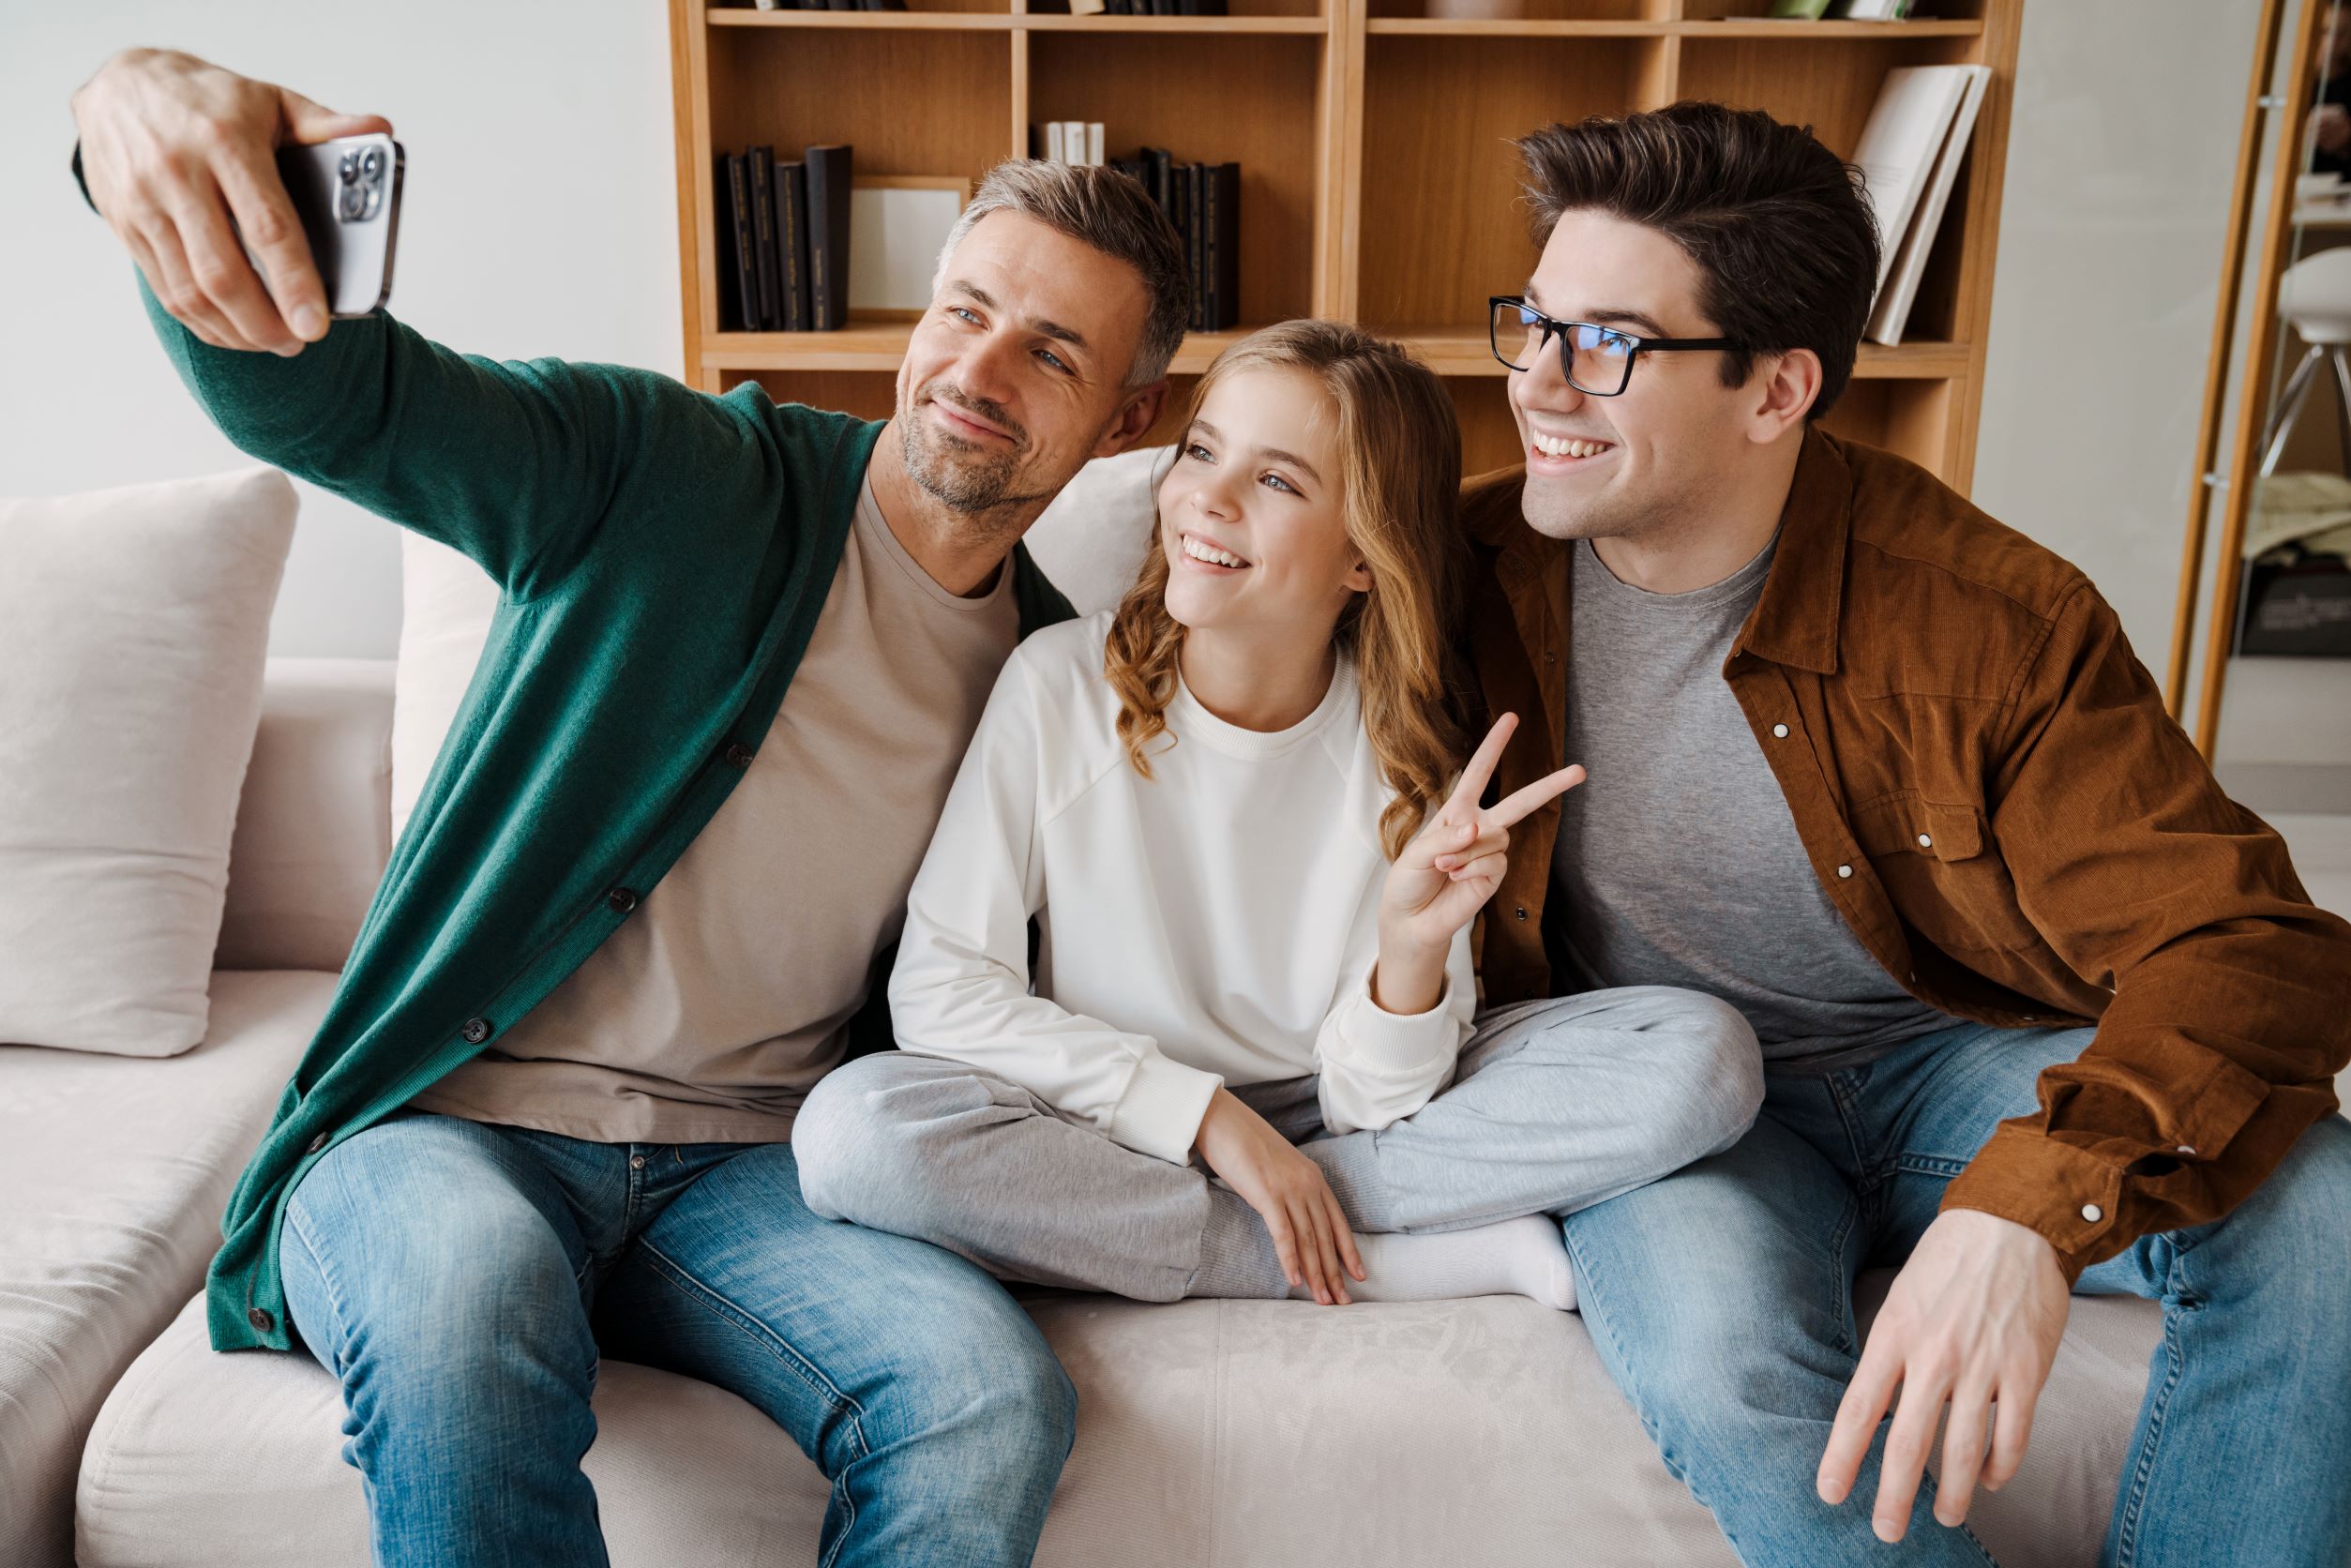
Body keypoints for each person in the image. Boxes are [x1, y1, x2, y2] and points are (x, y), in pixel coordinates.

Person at [67, 45, 1196, 1568]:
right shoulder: (674, 468)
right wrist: (136, 124)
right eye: (965, 310)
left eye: (1055, 355)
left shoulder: (1052, 681)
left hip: (747, 1174)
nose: (980, 374)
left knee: (982, 1397)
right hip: (445, 1127)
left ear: (1128, 421)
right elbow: (327, 404)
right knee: (465, 1319)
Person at [1459, 101, 2351, 1564]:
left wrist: (2022, 1208)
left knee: (2318, 1210)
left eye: (1608, 341)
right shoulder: (1456, 574)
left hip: (1956, 1061)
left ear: (1775, 389)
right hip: (1674, 1097)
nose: (1539, 384)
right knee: (1711, 1361)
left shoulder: (1986, 615)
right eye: (1532, 323)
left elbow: (2249, 948)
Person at [792, 320, 1761, 1310]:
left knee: (1702, 1057)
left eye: (1277, 482)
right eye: (1202, 452)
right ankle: (1333, 1256)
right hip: (1105, 1117)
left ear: (1362, 558)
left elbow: (1375, 1102)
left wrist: (1406, 957)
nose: (1205, 499)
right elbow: (943, 991)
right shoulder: (1059, 683)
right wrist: (1209, 1121)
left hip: (1342, 1129)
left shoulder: (1408, 754)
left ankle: (1291, 1214)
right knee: (854, 1132)